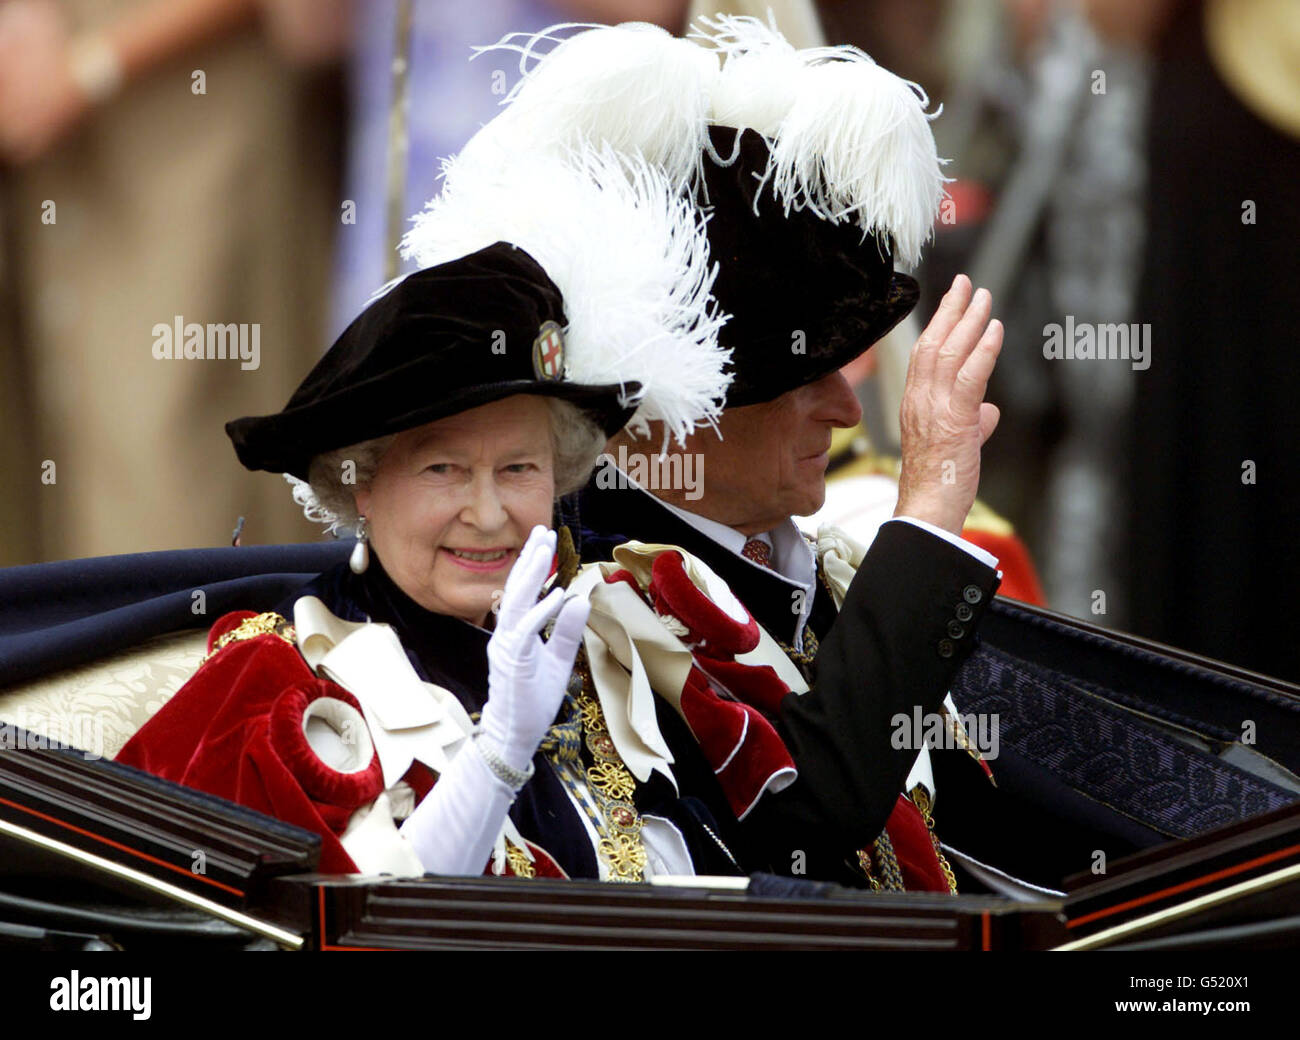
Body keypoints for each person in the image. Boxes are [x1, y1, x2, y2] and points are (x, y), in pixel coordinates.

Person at [420, 18, 1049, 890]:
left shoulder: (796, 564)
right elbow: (810, 812)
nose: (843, 407)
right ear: (679, 409)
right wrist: (931, 501)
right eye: (804, 378)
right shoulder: (589, 596)